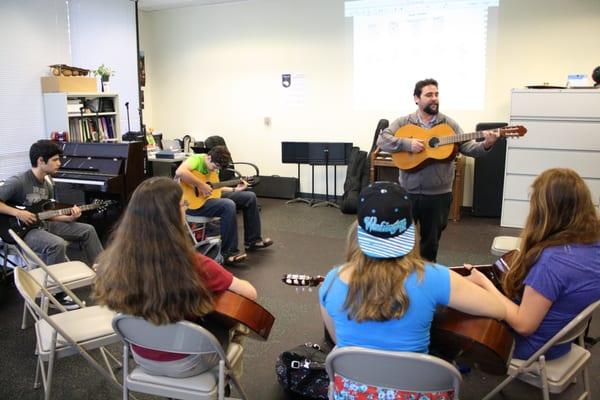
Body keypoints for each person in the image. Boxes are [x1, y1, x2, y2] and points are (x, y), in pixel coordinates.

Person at [319, 181, 506, 399]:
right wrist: (484, 283)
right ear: (410, 230)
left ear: (360, 230)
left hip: (353, 394)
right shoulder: (434, 277)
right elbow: (499, 310)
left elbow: (338, 340)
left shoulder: (330, 282)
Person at [93, 177, 257, 378]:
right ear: (171, 214)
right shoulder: (197, 264)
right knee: (238, 318)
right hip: (189, 360)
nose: (186, 209)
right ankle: (224, 382)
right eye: (183, 205)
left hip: (141, 355)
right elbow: (250, 293)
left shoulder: (114, 260)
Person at [465, 168, 600, 361]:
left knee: (462, 300)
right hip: (563, 339)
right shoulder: (593, 243)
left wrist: (483, 283)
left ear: (546, 212)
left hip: (533, 348)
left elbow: (524, 325)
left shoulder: (552, 261)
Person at [377, 78, 499, 262]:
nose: (434, 98)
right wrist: (407, 143)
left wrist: (487, 144)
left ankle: (426, 279)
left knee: (430, 243)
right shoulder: (403, 122)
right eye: (429, 95)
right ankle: (400, 277)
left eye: (436, 94)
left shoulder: (448, 125)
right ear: (416, 98)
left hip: (438, 195)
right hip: (407, 192)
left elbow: (469, 147)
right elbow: (382, 140)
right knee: (400, 238)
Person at [0, 140, 103, 308]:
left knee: (88, 230)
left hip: (42, 225)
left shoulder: (47, 183)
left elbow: (46, 214)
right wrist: (18, 213)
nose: (59, 163)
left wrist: (68, 218)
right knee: (56, 244)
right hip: (22, 231)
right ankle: (57, 293)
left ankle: (103, 275)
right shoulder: (18, 181)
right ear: (41, 161)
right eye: (55, 160)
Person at [175, 145, 273, 265]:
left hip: (210, 198)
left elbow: (215, 188)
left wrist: (235, 190)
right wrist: (201, 185)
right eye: (215, 166)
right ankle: (228, 253)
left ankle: (252, 241)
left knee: (250, 197)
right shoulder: (197, 159)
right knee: (228, 205)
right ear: (209, 158)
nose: (215, 170)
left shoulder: (214, 169)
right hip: (193, 204)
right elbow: (180, 172)